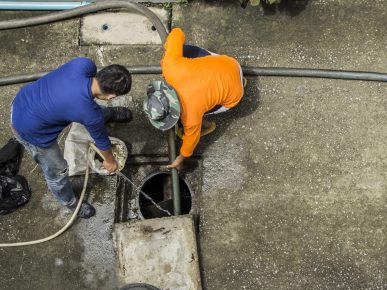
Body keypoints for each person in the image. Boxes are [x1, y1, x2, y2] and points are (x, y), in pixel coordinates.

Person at [10, 57, 132, 218]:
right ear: (111, 96)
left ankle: (108, 114)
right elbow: (102, 141)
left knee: (89, 110)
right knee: (57, 171)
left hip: (23, 100)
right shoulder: (89, 114)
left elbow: (87, 106)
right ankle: (69, 202)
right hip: (29, 130)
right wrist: (110, 161)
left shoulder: (83, 64)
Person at [147, 27, 245, 170]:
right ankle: (242, 80)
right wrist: (168, 51)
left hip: (234, 95)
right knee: (184, 50)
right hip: (231, 65)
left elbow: (190, 142)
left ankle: (208, 126)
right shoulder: (170, 66)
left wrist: (179, 160)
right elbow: (178, 32)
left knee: (200, 112)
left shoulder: (189, 116)